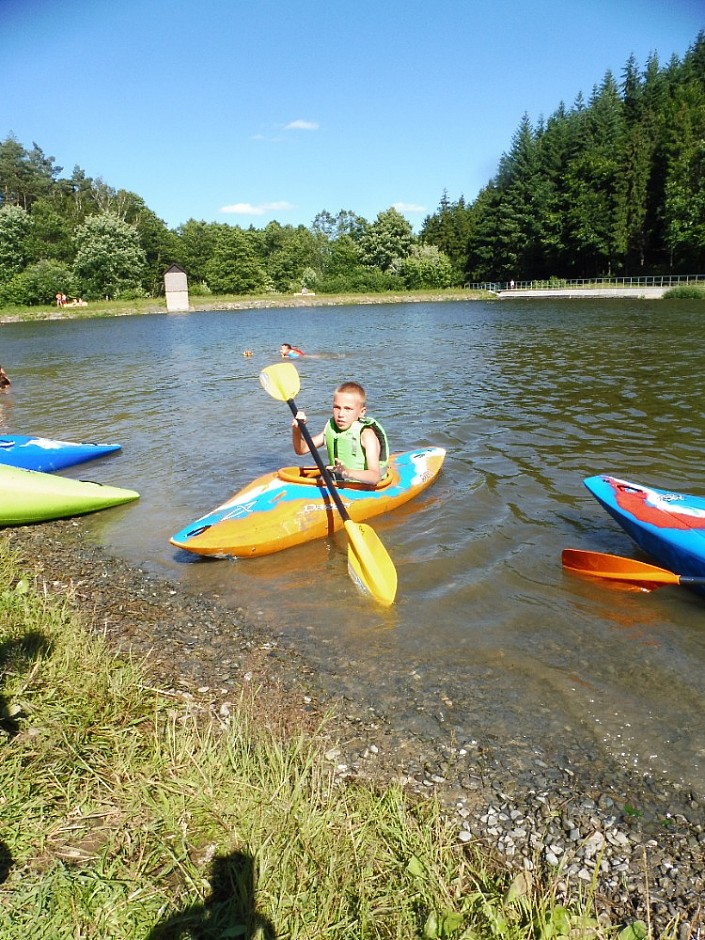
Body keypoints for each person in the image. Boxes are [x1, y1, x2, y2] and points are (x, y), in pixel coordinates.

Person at [292, 381, 388, 486]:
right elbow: (302, 449)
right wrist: (297, 430)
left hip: (362, 487)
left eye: (348, 409)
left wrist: (347, 473)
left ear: (362, 412)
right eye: (337, 407)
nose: (341, 414)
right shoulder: (331, 428)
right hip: (337, 484)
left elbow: (375, 477)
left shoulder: (367, 435)